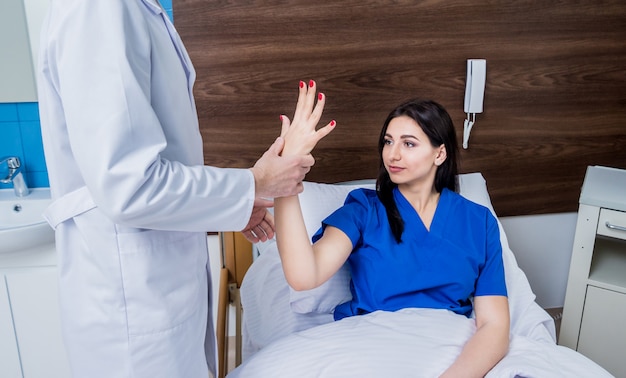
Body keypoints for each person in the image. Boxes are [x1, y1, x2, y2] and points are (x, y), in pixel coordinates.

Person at [36, 1, 334, 377]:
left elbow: (146, 170)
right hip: (131, 306)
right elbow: (130, 185)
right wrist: (252, 184)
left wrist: (232, 202)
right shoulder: (100, 8)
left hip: (155, 290)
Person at [275, 98, 510, 377]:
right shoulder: (364, 210)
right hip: (372, 348)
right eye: (388, 142)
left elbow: (494, 325)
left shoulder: (479, 222)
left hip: (452, 350)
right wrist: (285, 170)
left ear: (440, 154)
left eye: (408, 143)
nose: (392, 155)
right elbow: (304, 275)